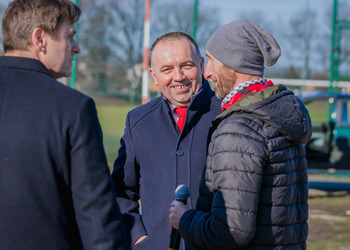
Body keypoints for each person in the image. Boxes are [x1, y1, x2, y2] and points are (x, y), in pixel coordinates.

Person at [169, 19, 312, 249]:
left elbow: (231, 232)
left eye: (212, 60)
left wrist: (184, 218)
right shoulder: (279, 116)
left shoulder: (238, 129)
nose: (206, 73)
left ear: (232, 64)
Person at [0, 0, 128, 249]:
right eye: (69, 36)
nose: (76, 48)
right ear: (40, 39)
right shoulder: (72, 108)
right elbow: (98, 222)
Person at [111, 32, 222, 249]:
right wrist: (138, 238)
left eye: (187, 65)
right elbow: (121, 192)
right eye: (167, 69)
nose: (178, 76)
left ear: (201, 65)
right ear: (153, 75)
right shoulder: (137, 121)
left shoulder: (228, 116)